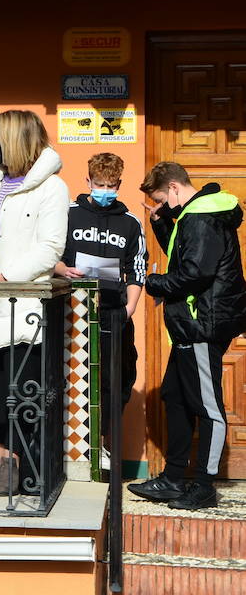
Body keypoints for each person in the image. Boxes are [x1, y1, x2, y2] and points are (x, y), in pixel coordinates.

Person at [130, 162, 246, 511]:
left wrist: (152, 283)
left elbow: (195, 273)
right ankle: (173, 478)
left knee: (207, 408)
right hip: (191, 325)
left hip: (201, 326)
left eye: (163, 200)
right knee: (175, 396)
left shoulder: (200, 218)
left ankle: (204, 486)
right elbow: (185, 258)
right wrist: (162, 222)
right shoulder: (192, 217)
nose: (164, 205)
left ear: (175, 188)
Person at [0, 109, 68, 496]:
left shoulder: (51, 187)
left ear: (16, 138)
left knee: (19, 382)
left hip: (20, 296)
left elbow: (50, 246)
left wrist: (8, 277)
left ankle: (16, 461)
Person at [55, 153, 146, 421]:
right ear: (88, 181)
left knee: (115, 382)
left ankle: (105, 443)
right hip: (71, 311)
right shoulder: (68, 214)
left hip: (113, 313)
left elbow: (137, 268)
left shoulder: (130, 222)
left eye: (111, 185)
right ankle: (76, 449)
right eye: (100, 184)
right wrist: (62, 269)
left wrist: (129, 308)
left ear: (119, 184)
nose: (105, 191)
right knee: (73, 379)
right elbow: (49, 254)